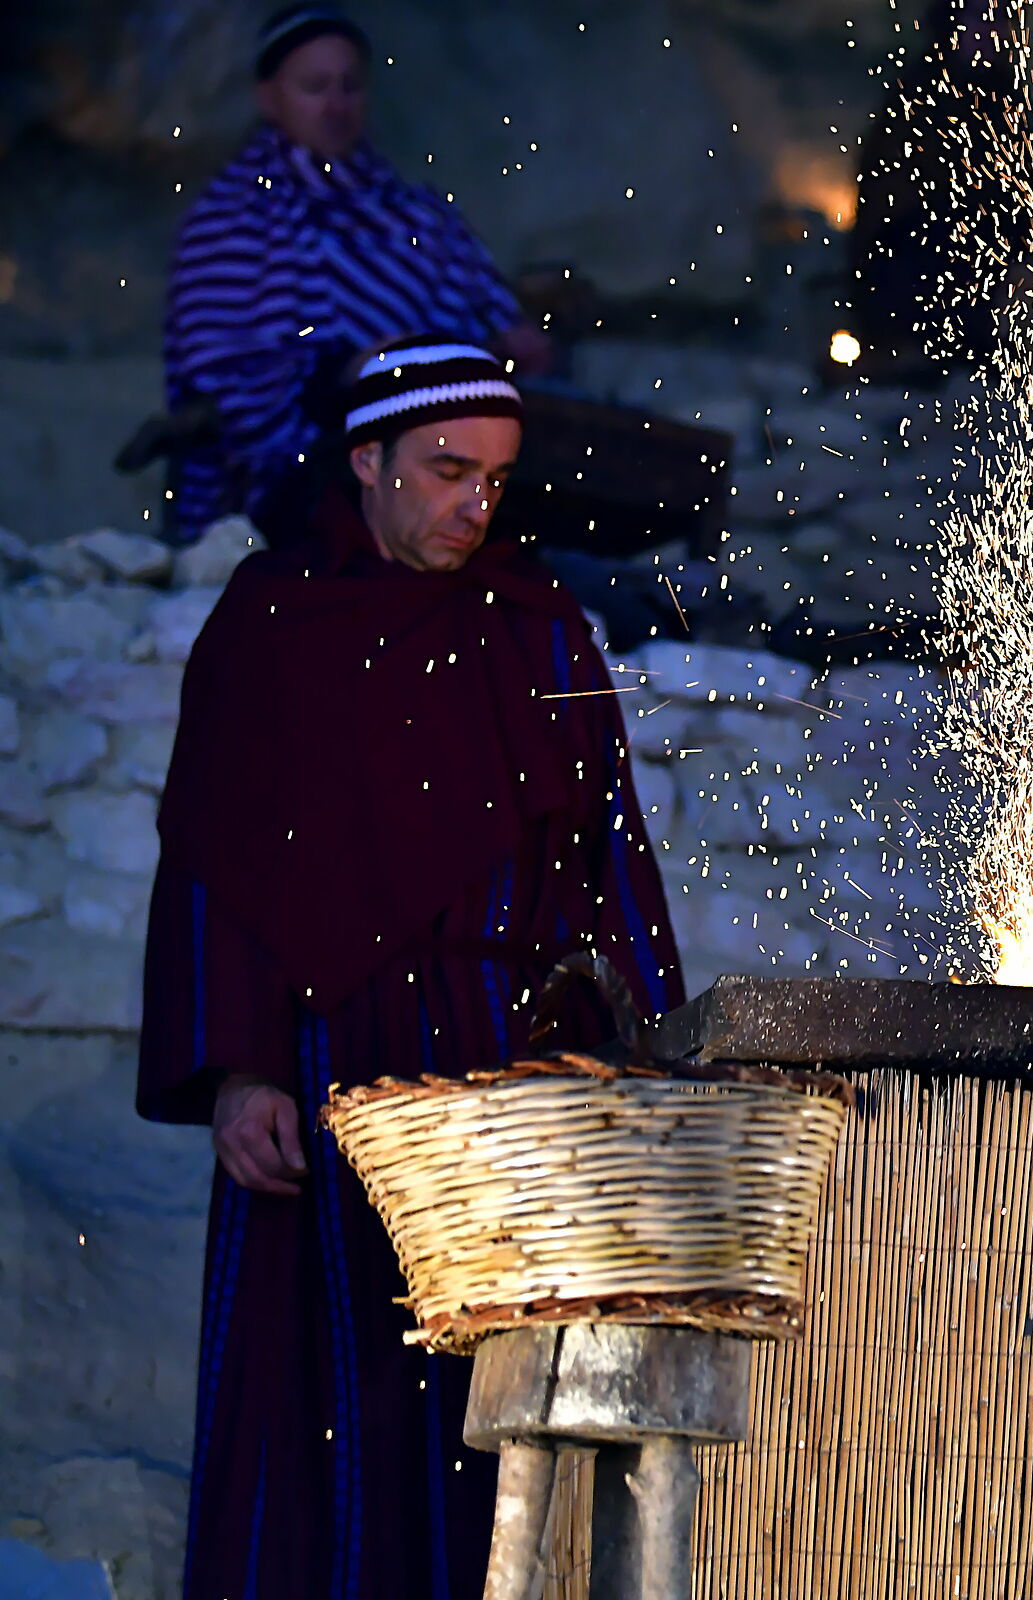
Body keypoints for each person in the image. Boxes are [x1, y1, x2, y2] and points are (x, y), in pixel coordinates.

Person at [137, 336, 682, 1599]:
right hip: (329, 1069)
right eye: (445, 471)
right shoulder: (270, 626)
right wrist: (239, 1071)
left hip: (507, 1075)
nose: (472, 505)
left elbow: (609, 855)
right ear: (366, 460)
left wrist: (649, 1057)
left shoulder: (536, 623)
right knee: (321, 1383)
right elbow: (215, 860)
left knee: (489, 1402)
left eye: (493, 478)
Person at [160, 5, 550, 543]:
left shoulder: (415, 214)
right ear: (269, 97)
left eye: (349, 86)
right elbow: (235, 383)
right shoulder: (230, 220)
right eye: (315, 86)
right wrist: (351, 369)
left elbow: (493, 315)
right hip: (304, 473)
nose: (336, 105)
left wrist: (503, 342)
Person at [843, 0, 1033, 383]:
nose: (988, 33)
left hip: (993, 249)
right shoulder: (917, 96)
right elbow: (886, 189)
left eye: (996, 20)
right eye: (977, 20)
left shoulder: (1011, 97)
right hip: (920, 248)